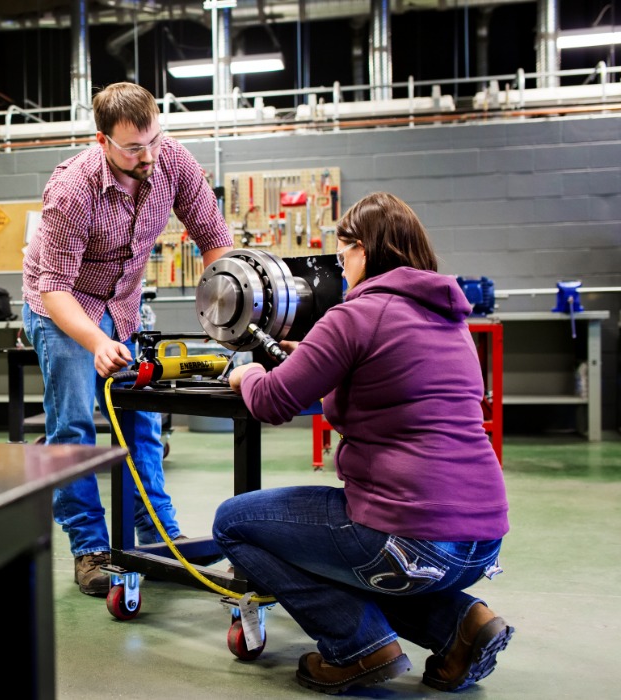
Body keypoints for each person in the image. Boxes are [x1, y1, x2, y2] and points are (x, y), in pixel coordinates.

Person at [217, 192, 512, 693]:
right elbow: (386, 379)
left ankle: (357, 646)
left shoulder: (356, 314)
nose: (340, 263)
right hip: (480, 542)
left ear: (366, 250)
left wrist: (243, 374)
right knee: (351, 551)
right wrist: (313, 355)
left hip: (407, 539)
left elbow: (271, 401)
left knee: (235, 524)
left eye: (344, 250)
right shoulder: (450, 318)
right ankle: (460, 626)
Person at [21, 82, 232, 596]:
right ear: (103, 141)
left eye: (154, 140)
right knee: (73, 425)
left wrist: (231, 303)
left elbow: (213, 237)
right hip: (63, 309)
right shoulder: (73, 191)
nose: (150, 156)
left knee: (141, 419)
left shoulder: (172, 160)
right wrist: (95, 342)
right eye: (135, 148)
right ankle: (89, 546)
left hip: (123, 304)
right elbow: (54, 292)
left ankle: (157, 534)